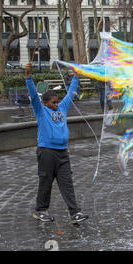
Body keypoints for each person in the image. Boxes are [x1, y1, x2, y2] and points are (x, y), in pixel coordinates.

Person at [25, 63, 89, 224]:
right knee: (45, 182)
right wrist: (28, 77)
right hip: (46, 151)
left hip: (62, 152)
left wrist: (76, 76)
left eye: (56, 102)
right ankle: (41, 210)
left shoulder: (61, 108)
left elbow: (70, 95)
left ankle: (74, 213)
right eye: (53, 102)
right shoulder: (40, 110)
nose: (56, 104)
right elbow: (33, 96)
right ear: (45, 103)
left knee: (67, 183)